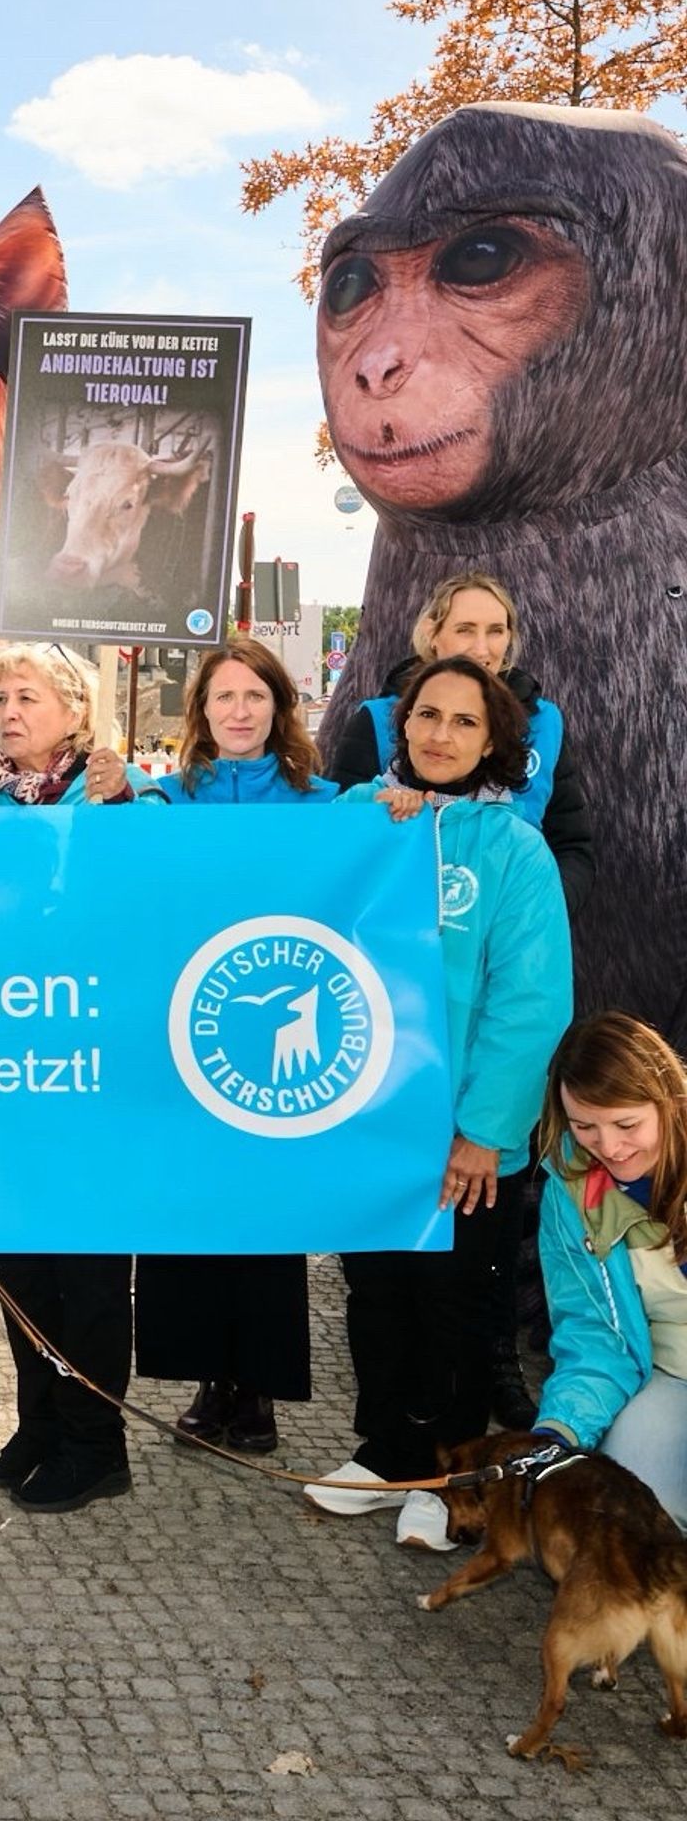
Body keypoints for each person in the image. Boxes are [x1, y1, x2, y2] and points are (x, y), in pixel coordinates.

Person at [306, 657, 572, 1550]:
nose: (440, 735)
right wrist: (365, 835)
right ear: (402, 726)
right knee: (375, 1292)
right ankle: (389, 1453)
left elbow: (530, 1003)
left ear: (493, 740)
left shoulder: (512, 849)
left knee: (455, 1304)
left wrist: (485, 1133)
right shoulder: (357, 820)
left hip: (462, 1135)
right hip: (366, 1122)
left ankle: (455, 1479)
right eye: (426, 716)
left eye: (463, 722)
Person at [0, 642, 157, 1514]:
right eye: (0, 697)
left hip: (94, 1077)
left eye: (28, 696)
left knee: (85, 1268)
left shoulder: (124, 801)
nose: (9, 710)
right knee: (23, 1261)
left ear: (76, 711)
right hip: (10, 1073)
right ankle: (39, 1419)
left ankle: (95, 1440)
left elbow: (160, 900)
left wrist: (121, 812)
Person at [139, 638, 337, 1456]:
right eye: (224, 698)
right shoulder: (166, 804)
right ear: (202, 713)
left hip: (268, 1053)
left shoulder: (326, 806)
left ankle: (255, 1390)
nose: (240, 711)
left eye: (255, 696)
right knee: (191, 1216)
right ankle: (206, 1380)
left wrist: (396, 813)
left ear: (278, 708)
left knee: (265, 1221)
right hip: (185, 1039)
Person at [325, 572, 592, 905]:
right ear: (432, 634)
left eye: (495, 631)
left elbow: (571, 846)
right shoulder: (378, 720)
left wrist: (538, 911)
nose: (481, 648)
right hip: (398, 922)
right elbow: (337, 837)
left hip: (511, 919)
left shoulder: (543, 722)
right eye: (465, 629)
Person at [533, 1012, 687, 1527]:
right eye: (585, 1127)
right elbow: (595, 1334)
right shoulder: (572, 1191)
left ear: (666, 1100)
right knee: (630, 1514)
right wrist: (558, 1432)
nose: (611, 1148)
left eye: (627, 1125)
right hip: (670, 1372)